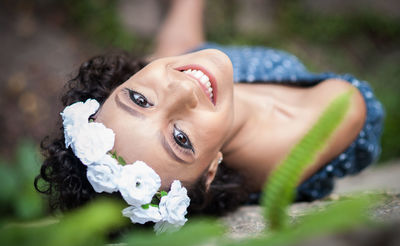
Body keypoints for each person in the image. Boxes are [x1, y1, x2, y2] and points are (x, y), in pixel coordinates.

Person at [35, 0, 384, 218]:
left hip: (213, 87)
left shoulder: (185, 81)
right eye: (181, 139)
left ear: (117, 87)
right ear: (212, 169)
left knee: (172, 50)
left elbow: (175, 62)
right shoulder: (329, 116)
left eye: (138, 100)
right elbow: (346, 102)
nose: (183, 90)